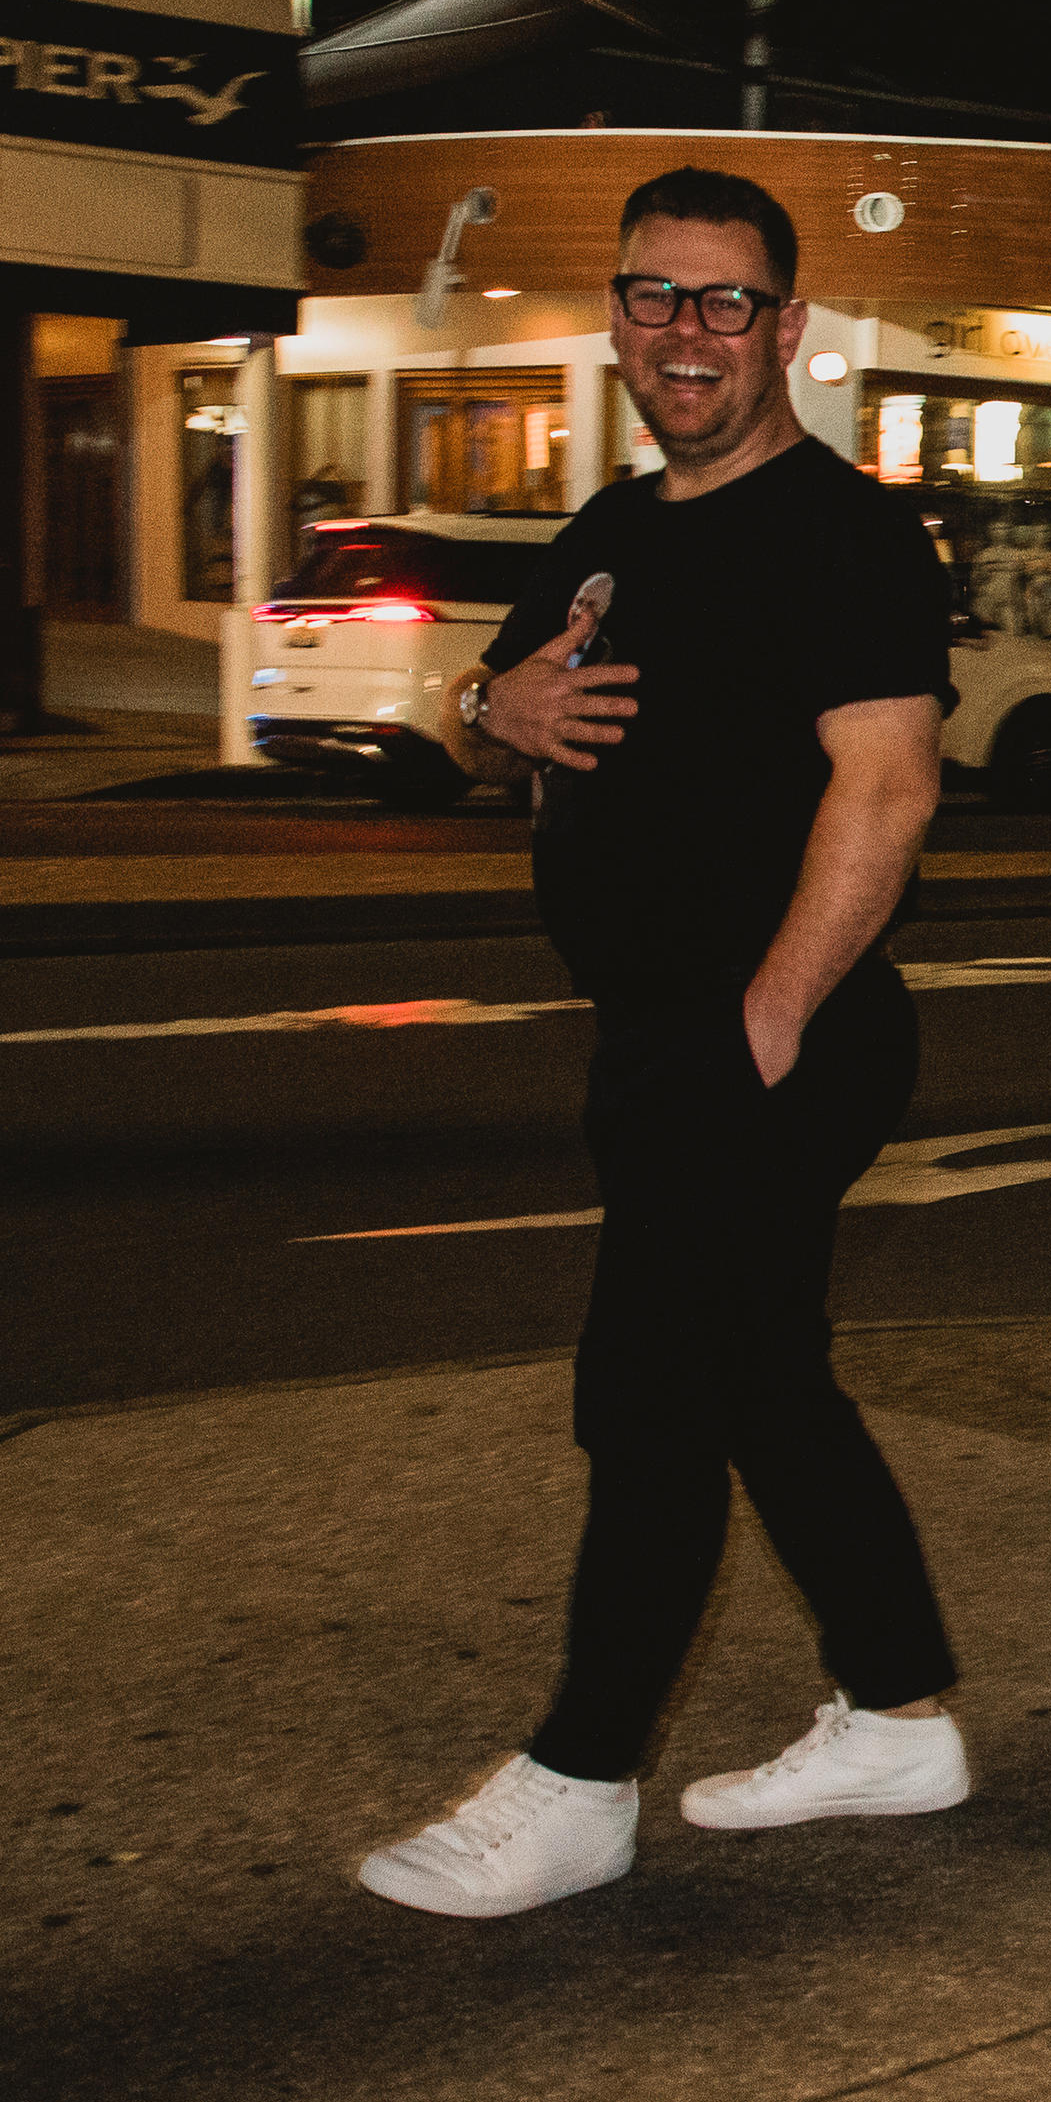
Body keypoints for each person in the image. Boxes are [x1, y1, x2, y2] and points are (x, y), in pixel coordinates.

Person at [355, 168, 969, 1917]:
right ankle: (898, 1709)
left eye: (723, 301)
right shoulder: (614, 528)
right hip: (659, 1029)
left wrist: (766, 1019)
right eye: (654, 296)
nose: (684, 332)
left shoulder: (843, 534)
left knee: (648, 1390)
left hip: (766, 1032)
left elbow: (889, 784)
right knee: (762, 1374)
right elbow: (492, 710)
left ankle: (580, 1775)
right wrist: (495, 705)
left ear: (788, 328)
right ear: (616, 318)